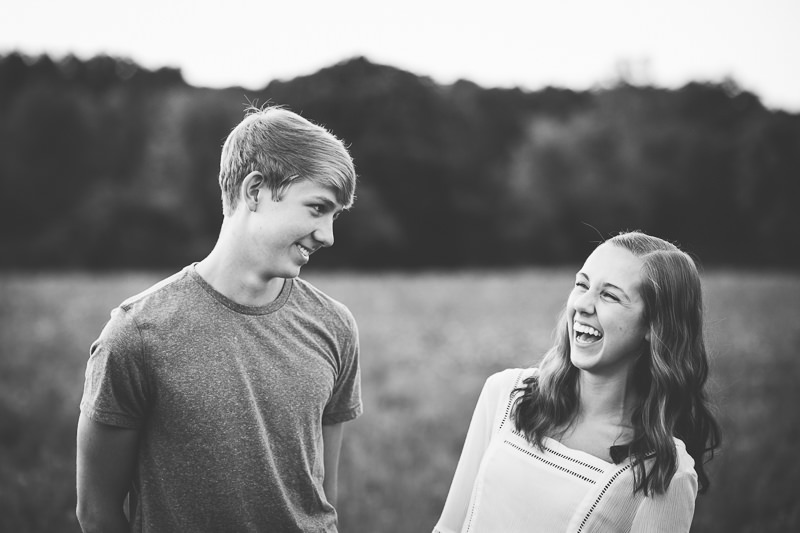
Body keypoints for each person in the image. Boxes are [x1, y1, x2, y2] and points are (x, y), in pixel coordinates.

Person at [76, 106, 362, 533]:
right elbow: (97, 513)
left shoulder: (335, 325)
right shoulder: (136, 334)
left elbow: (322, 499)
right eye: (317, 208)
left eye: (334, 216)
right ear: (255, 190)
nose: (328, 235)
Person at [433, 230, 721, 533]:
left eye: (609, 295)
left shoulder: (664, 472)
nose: (582, 304)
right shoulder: (506, 394)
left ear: (654, 325)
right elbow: (447, 528)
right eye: (582, 284)